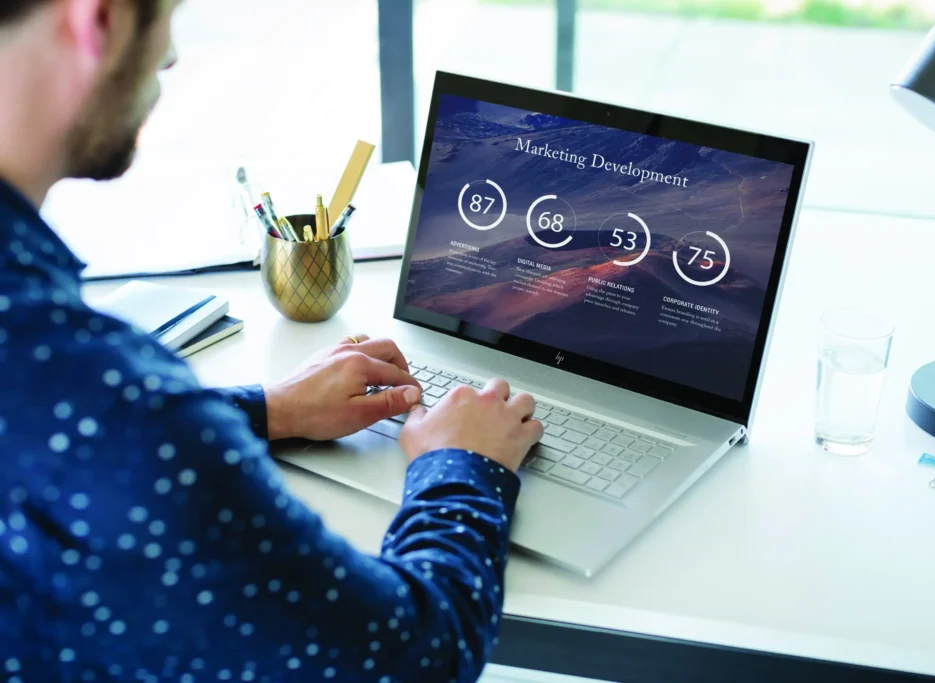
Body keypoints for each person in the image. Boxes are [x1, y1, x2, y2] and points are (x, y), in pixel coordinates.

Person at [0, 1, 544, 681]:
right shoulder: (114, 407)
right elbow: (412, 657)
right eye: (167, 15)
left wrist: (268, 408)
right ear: (100, 20)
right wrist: (463, 465)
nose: (168, 57)